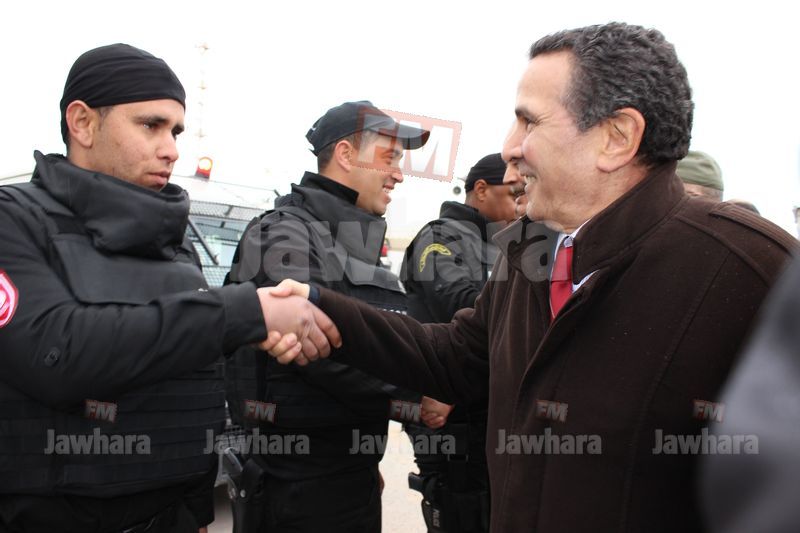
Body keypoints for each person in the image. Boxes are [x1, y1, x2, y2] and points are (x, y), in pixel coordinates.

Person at [264, 23, 797, 533]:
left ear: (616, 137)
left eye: (529, 122)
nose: (509, 148)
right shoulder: (529, 249)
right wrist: (320, 309)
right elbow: (456, 355)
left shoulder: (755, 272)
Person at [0, 43, 338, 533]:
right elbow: (55, 352)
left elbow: (191, 380)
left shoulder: (172, 242)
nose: (171, 149)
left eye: (175, 130)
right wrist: (245, 312)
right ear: (83, 123)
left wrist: (197, 507)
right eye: (150, 125)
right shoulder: (14, 220)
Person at [224, 100, 431, 533]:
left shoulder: (348, 240)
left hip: (347, 480)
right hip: (295, 491)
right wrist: (418, 395)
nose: (398, 174)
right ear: (345, 155)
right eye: (389, 158)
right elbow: (318, 342)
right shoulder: (284, 233)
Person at [401, 152, 519, 533]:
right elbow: (457, 303)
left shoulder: (505, 243)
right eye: (513, 194)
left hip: (490, 415)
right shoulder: (438, 237)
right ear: (481, 190)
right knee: (463, 512)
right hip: (451, 421)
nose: (519, 206)